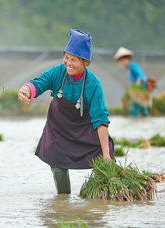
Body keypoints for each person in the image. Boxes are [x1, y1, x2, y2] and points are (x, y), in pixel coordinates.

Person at [17, 29, 114, 194]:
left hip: (84, 129)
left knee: (105, 157)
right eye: (66, 57)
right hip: (59, 129)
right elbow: (39, 83)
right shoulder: (57, 72)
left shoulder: (93, 84)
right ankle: (63, 200)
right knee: (56, 163)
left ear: (85, 62)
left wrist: (106, 155)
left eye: (74, 60)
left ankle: (100, 198)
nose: (68, 63)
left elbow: (100, 119)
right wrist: (26, 90)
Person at [113, 47, 150, 117]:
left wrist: (138, 81)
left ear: (127, 60)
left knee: (135, 105)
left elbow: (140, 73)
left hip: (139, 88)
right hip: (137, 87)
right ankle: (143, 118)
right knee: (139, 105)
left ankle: (136, 118)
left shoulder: (132, 65)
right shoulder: (129, 67)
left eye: (122, 61)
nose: (121, 63)